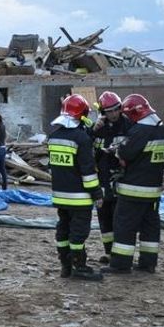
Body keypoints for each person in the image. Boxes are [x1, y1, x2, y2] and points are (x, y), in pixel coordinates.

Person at [105, 94, 164, 275]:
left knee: (124, 226)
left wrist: (117, 152)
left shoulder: (140, 131)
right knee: (150, 227)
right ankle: (148, 263)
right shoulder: (161, 130)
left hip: (133, 189)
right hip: (153, 191)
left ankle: (120, 264)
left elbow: (125, 152)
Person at [47, 94, 103, 281]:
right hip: (79, 197)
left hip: (59, 195)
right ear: (83, 114)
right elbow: (87, 172)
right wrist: (97, 193)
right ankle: (79, 267)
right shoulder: (81, 139)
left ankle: (65, 266)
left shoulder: (53, 137)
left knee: (63, 230)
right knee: (79, 233)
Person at [91, 91, 130, 263]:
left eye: (115, 110)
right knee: (103, 215)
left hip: (122, 178)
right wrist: (92, 131)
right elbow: (86, 147)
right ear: (103, 112)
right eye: (109, 111)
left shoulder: (128, 125)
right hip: (103, 178)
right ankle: (108, 251)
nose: (113, 114)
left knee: (119, 216)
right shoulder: (99, 129)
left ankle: (119, 253)